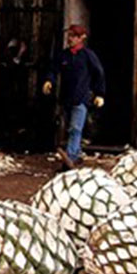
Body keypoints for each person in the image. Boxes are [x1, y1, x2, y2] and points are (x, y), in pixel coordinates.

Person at [43, 24, 105, 169]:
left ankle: (69, 159)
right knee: (68, 129)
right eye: (69, 36)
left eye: (73, 36)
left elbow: (99, 74)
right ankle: (75, 155)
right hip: (65, 99)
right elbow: (53, 69)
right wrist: (49, 81)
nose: (70, 39)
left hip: (81, 98)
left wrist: (99, 93)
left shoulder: (88, 56)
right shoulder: (64, 55)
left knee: (75, 128)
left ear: (81, 38)